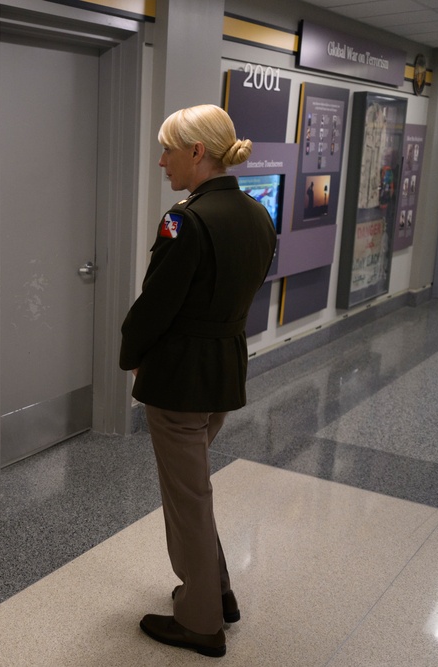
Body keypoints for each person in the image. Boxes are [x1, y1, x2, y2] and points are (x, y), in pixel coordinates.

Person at [119, 104, 276, 659]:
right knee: (194, 494)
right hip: (223, 372)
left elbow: (157, 303)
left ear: (196, 153)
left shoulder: (185, 220)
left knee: (187, 500)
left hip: (180, 378)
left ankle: (200, 621)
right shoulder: (257, 214)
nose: (161, 162)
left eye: (167, 150)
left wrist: (130, 354)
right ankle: (220, 594)